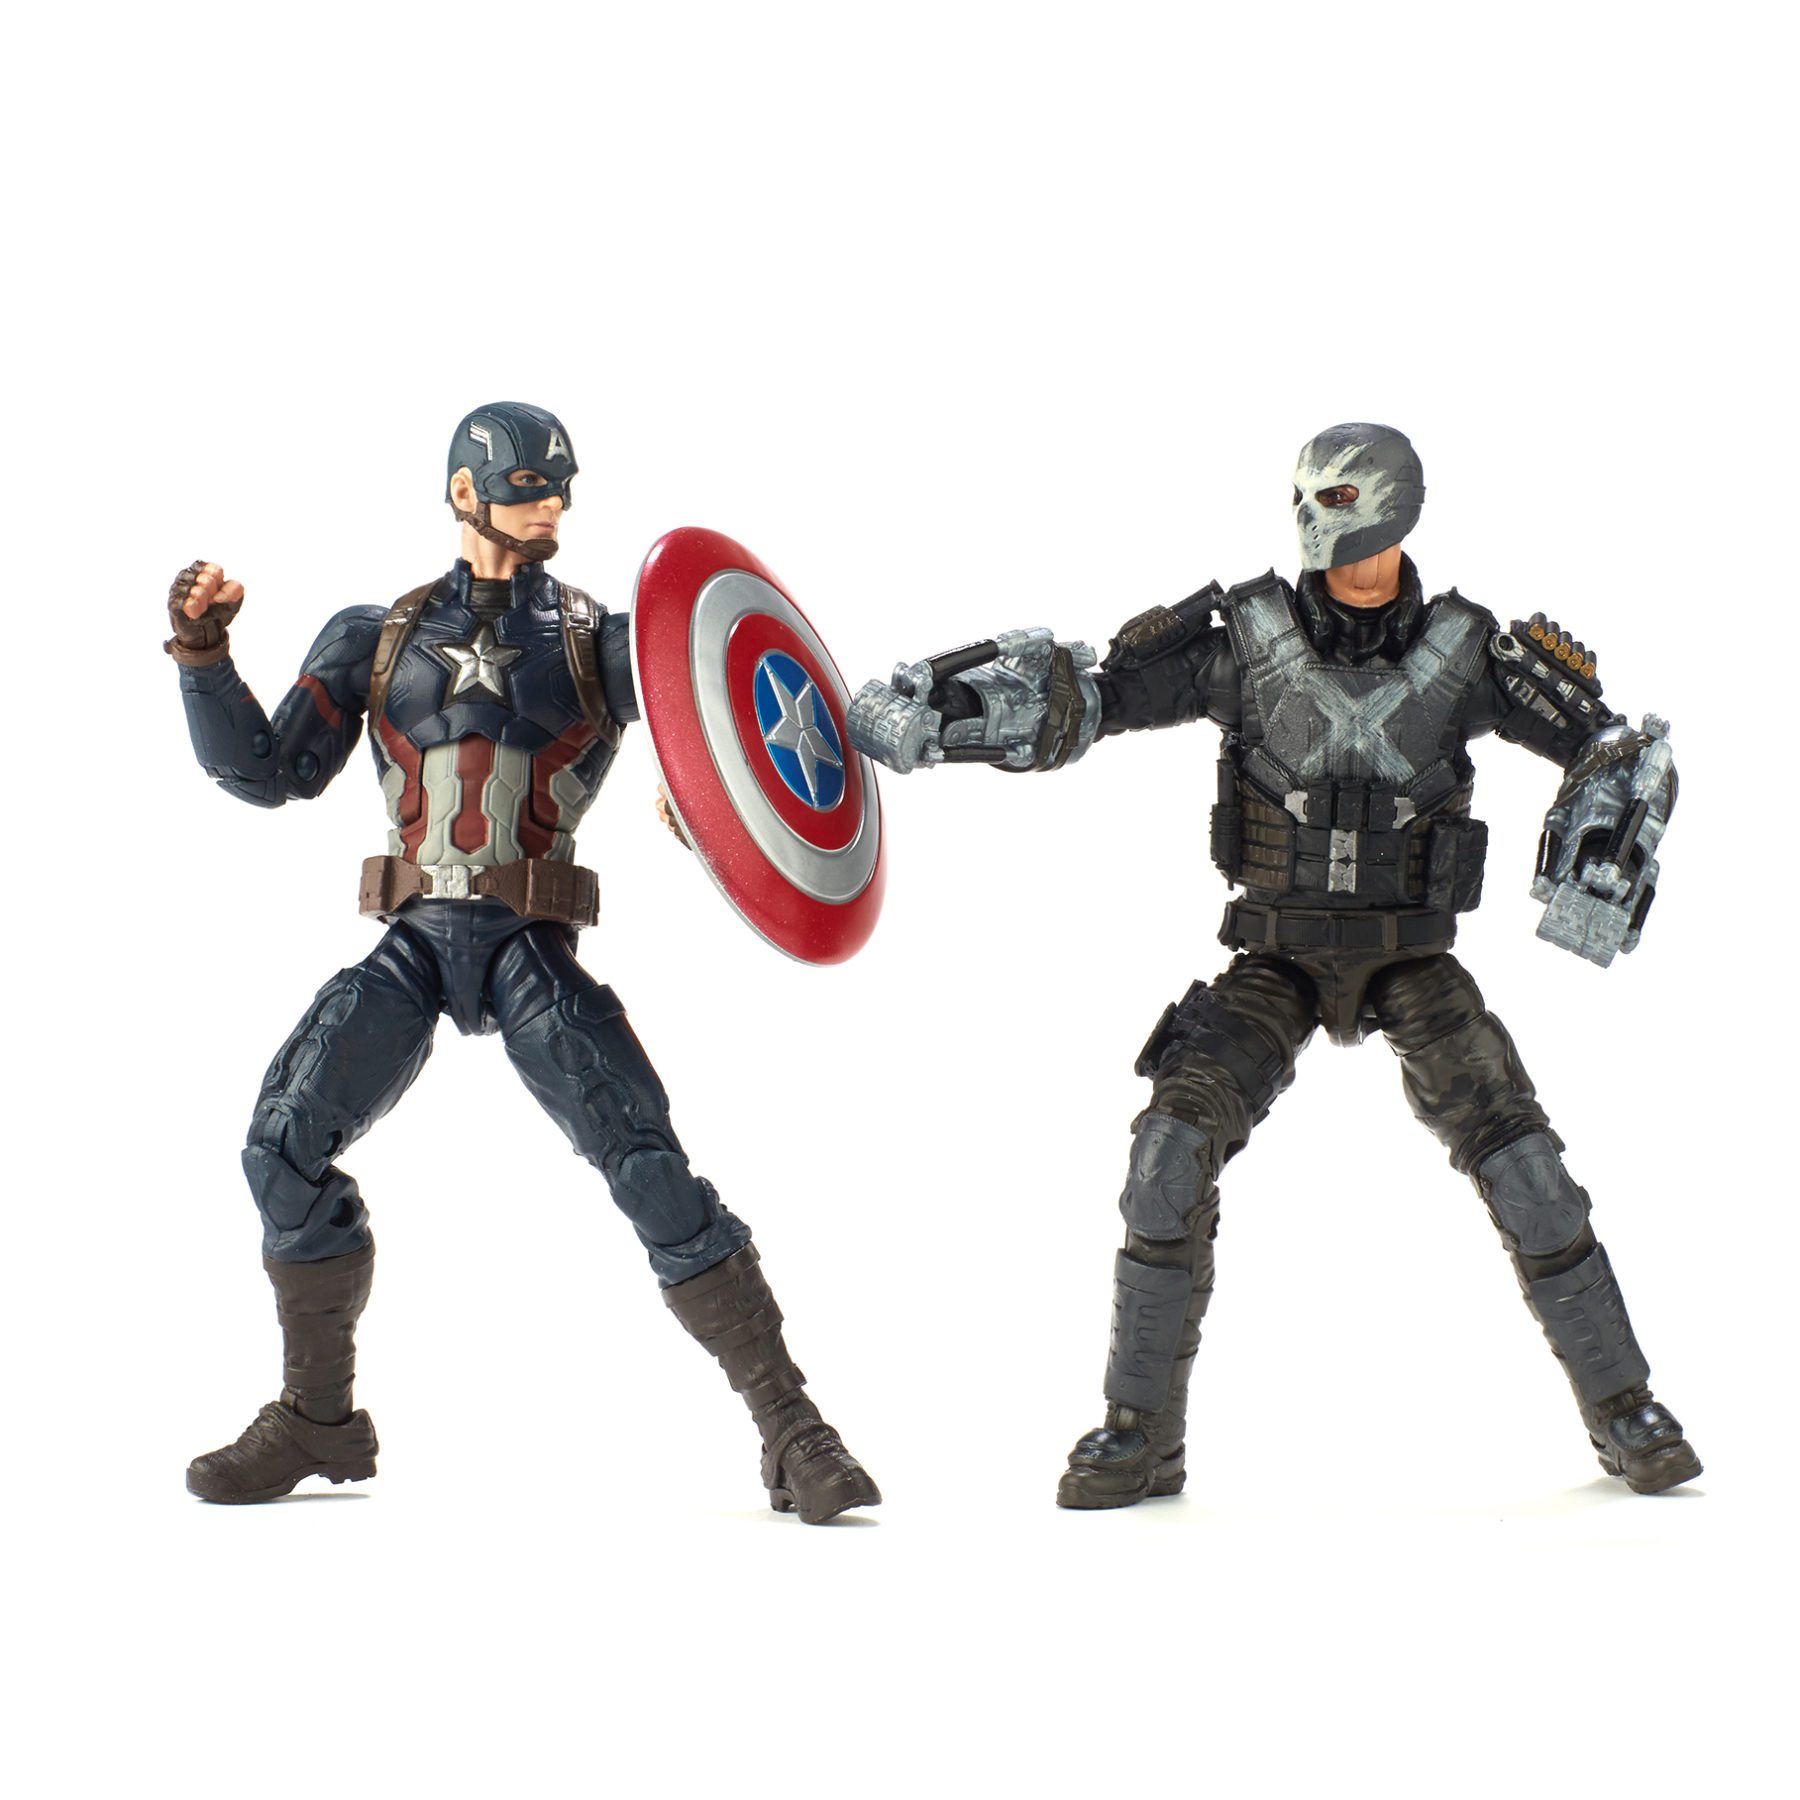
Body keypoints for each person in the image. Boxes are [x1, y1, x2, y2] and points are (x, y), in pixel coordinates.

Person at [847, 421, 1698, 1506]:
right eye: (1308, 497)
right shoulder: (1242, 640)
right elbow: (1091, 696)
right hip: (1276, 958)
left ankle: (1626, 1413)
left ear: (1393, 505)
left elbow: (1614, 745)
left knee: (1527, 1171)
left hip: (1410, 959)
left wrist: (1605, 839)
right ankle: (1140, 1434)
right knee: (1166, 1155)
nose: (1315, 519)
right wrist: (935, 711)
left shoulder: (1469, 651)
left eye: (1336, 498)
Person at [168, 402, 878, 1522]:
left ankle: (792, 1428)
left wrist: (719, 818)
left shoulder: (605, 643)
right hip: (413, 943)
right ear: (465, 492)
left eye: (560, 486)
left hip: (526, 949)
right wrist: (205, 658)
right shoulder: (375, 638)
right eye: (528, 487)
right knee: (279, 1147)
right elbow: (266, 773)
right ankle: (318, 1419)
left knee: (647, 1166)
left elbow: (730, 734)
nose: (552, 506)